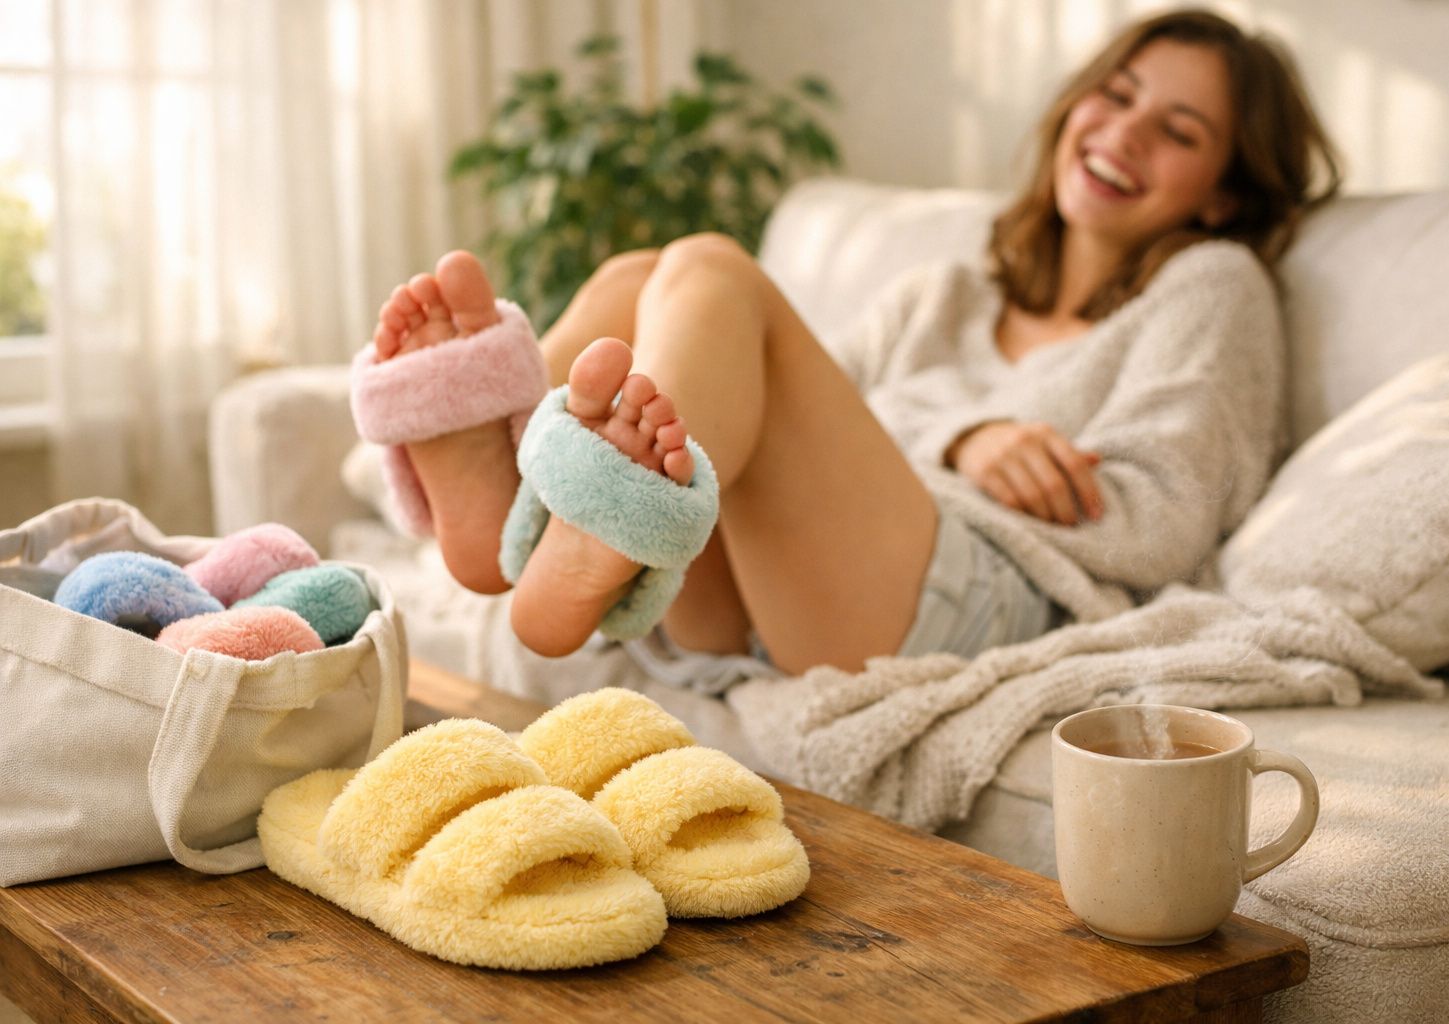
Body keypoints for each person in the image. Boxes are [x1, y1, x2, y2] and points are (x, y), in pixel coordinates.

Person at [359, 7, 1340, 682]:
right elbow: (789, 425)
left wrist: (968, 442)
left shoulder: (1212, 283)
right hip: (777, 593)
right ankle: (510, 516)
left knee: (711, 270)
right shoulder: (949, 292)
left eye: (1177, 131)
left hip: (976, 598)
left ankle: (582, 522)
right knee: (640, 281)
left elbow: (1169, 518)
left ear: (1225, 192)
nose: (1124, 134)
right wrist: (964, 437)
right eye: (1116, 95)